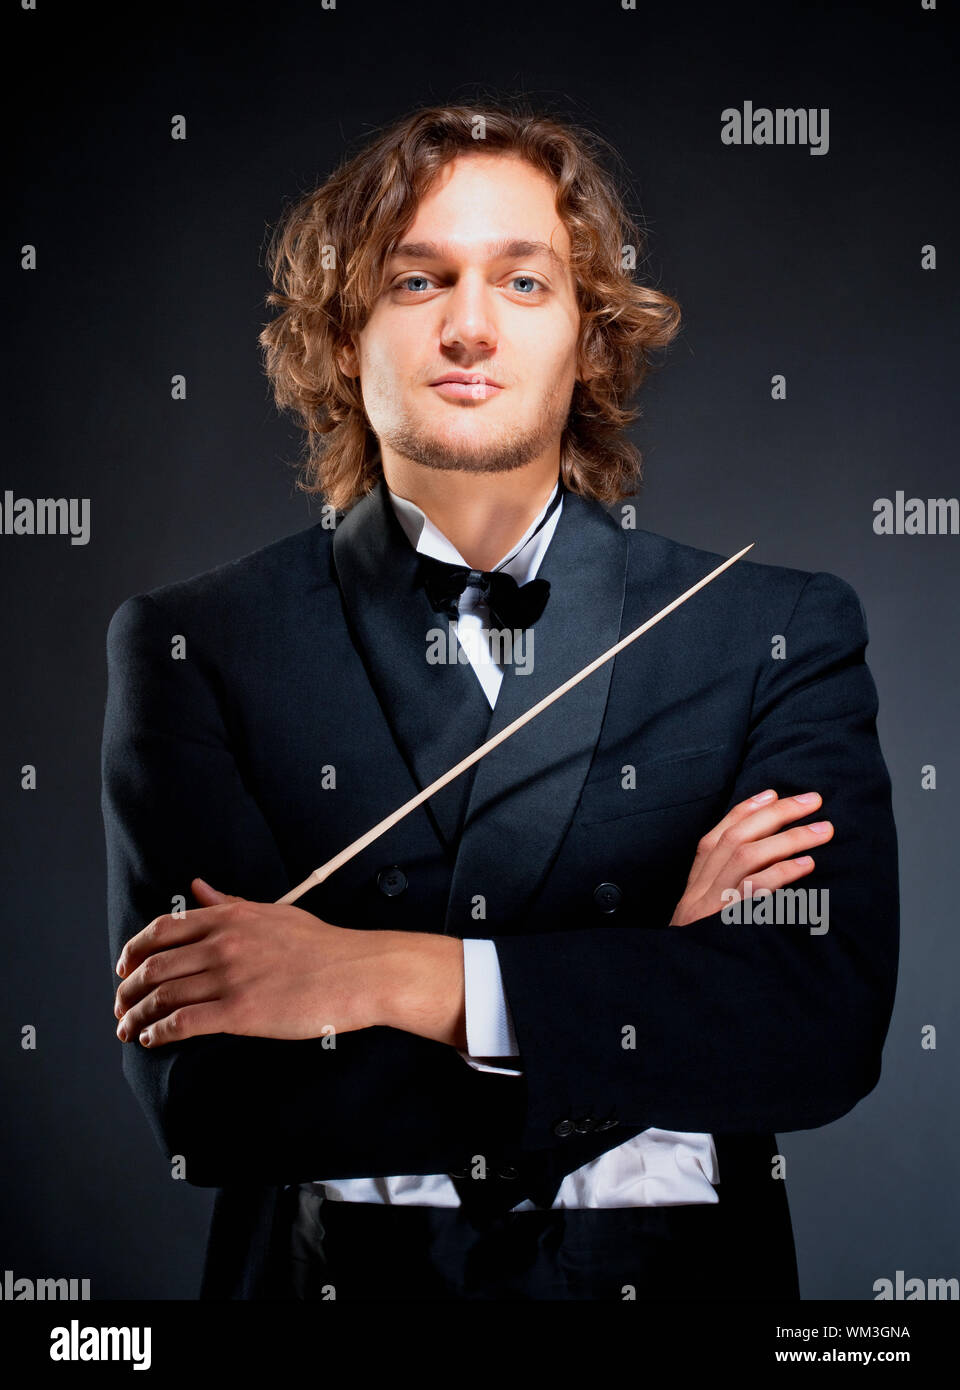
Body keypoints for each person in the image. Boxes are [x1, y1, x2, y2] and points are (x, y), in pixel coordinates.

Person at [101, 99, 899, 1301]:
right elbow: (215, 1104)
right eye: (418, 282)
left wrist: (379, 976)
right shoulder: (192, 643)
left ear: (589, 337)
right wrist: (651, 977)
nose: (470, 327)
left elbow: (813, 1033)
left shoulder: (771, 627)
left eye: (524, 284)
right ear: (339, 335)